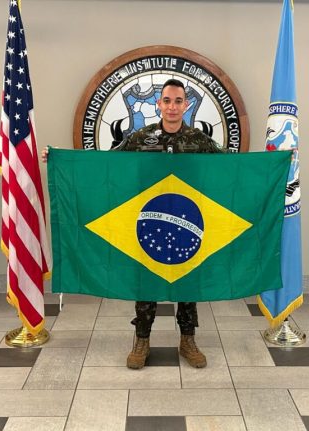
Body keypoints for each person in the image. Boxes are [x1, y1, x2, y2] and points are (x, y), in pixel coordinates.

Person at [42, 79, 223, 369]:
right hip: (149, 220)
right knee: (146, 280)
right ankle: (142, 340)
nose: (172, 106)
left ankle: (188, 340)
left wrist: (273, 163)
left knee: (188, 281)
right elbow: (108, 164)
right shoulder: (142, 137)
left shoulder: (200, 140)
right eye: (167, 100)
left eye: (178, 101)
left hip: (187, 220)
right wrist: (60, 159)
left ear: (186, 105)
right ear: (158, 104)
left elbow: (232, 168)